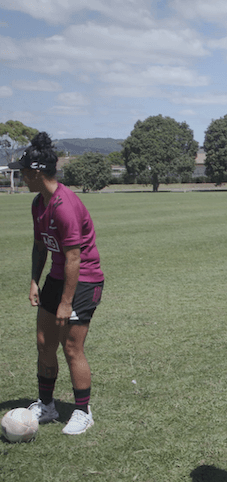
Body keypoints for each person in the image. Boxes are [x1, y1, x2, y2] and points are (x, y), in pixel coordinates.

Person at [11, 132, 104, 435]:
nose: (21, 178)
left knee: (72, 347)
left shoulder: (65, 206)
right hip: (57, 277)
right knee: (44, 342)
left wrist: (66, 302)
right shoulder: (39, 203)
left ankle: (83, 411)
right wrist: (34, 281)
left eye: (24, 172)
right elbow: (40, 247)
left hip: (84, 280)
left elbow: (75, 258)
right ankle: (47, 405)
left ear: (36, 173)